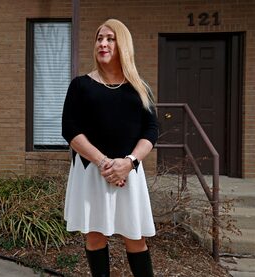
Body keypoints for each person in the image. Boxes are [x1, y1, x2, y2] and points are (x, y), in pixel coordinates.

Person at [61, 18, 158, 277]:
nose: (102, 44)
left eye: (110, 39)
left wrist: (129, 162)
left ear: (122, 44)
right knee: (95, 237)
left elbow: (151, 131)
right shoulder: (81, 85)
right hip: (91, 171)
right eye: (99, 38)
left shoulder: (140, 88)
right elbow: (70, 130)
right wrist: (104, 163)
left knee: (135, 238)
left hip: (129, 173)